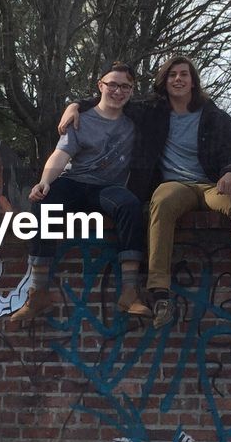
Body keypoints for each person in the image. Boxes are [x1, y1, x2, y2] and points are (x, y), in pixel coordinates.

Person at [61, 54, 231, 332]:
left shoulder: (214, 116)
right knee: (160, 202)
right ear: (164, 81)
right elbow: (114, 100)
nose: (178, 79)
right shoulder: (151, 111)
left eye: (184, 74)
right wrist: (75, 105)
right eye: (172, 75)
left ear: (193, 82)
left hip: (210, 184)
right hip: (174, 185)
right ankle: (160, 294)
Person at [9, 64, 152, 323]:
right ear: (100, 85)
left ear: (131, 91)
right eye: (113, 84)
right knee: (46, 203)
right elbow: (60, 155)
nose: (118, 91)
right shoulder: (80, 119)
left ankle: (130, 292)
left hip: (108, 189)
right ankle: (38, 292)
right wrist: (44, 182)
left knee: (130, 205)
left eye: (125, 86)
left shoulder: (136, 122)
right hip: (75, 182)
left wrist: (74, 102)